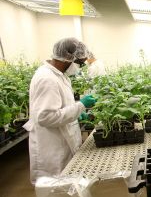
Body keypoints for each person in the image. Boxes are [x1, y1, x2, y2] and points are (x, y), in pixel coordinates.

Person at [23, 37, 97, 184]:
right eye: (80, 63)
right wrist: (81, 105)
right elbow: (46, 117)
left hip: (63, 139)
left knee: (66, 190)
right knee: (56, 193)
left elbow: (61, 106)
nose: (81, 67)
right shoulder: (47, 79)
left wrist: (77, 114)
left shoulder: (60, 76)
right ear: (67, 59)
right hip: (53, 149)